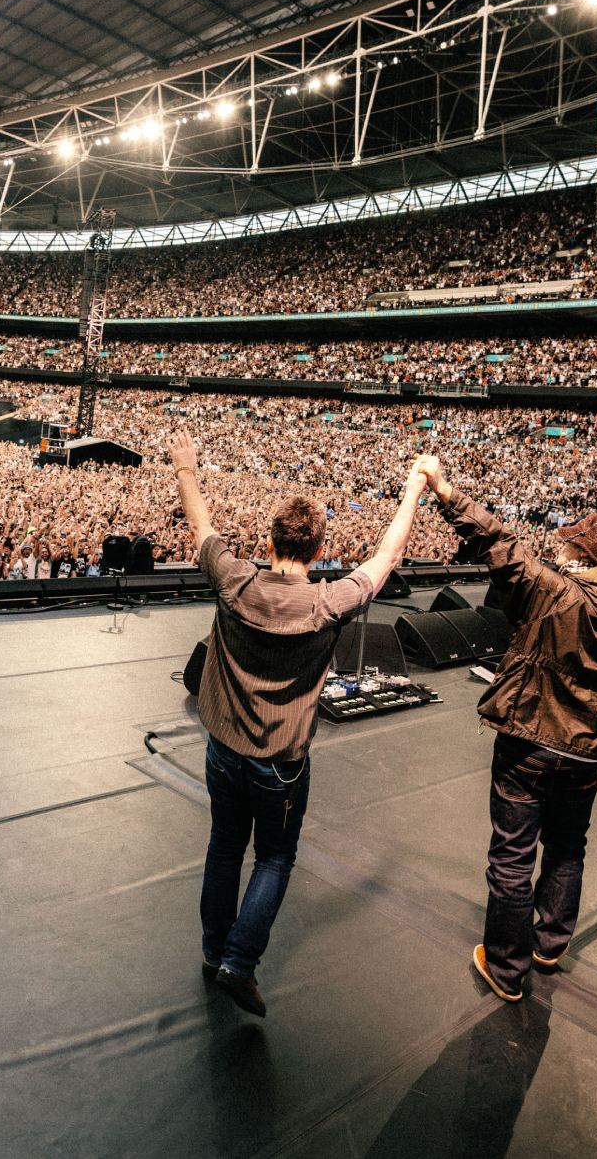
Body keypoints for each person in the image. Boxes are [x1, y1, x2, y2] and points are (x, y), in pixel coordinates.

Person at [171, 431, 431, 1017]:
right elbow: (386, 559)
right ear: (318, 551)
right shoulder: (327, 602)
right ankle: (239, 962)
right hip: (281, 764)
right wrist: (414, 487)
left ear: (267, 541)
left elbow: (202, 527)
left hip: (222, 750)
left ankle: (215, 953)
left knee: (222, 845)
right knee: (274, 858)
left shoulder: (234, 580)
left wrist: (187, 468)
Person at [421, 460, 597, 1003]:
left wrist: (446, 489)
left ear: (583, 557)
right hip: (588, 755)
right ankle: (550, 942)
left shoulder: (551, 592)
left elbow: (495, 541)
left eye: (570, 546)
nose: (560, 551)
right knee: (568, 845)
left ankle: (507, 967)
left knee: (513, 855)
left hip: (527, 745)